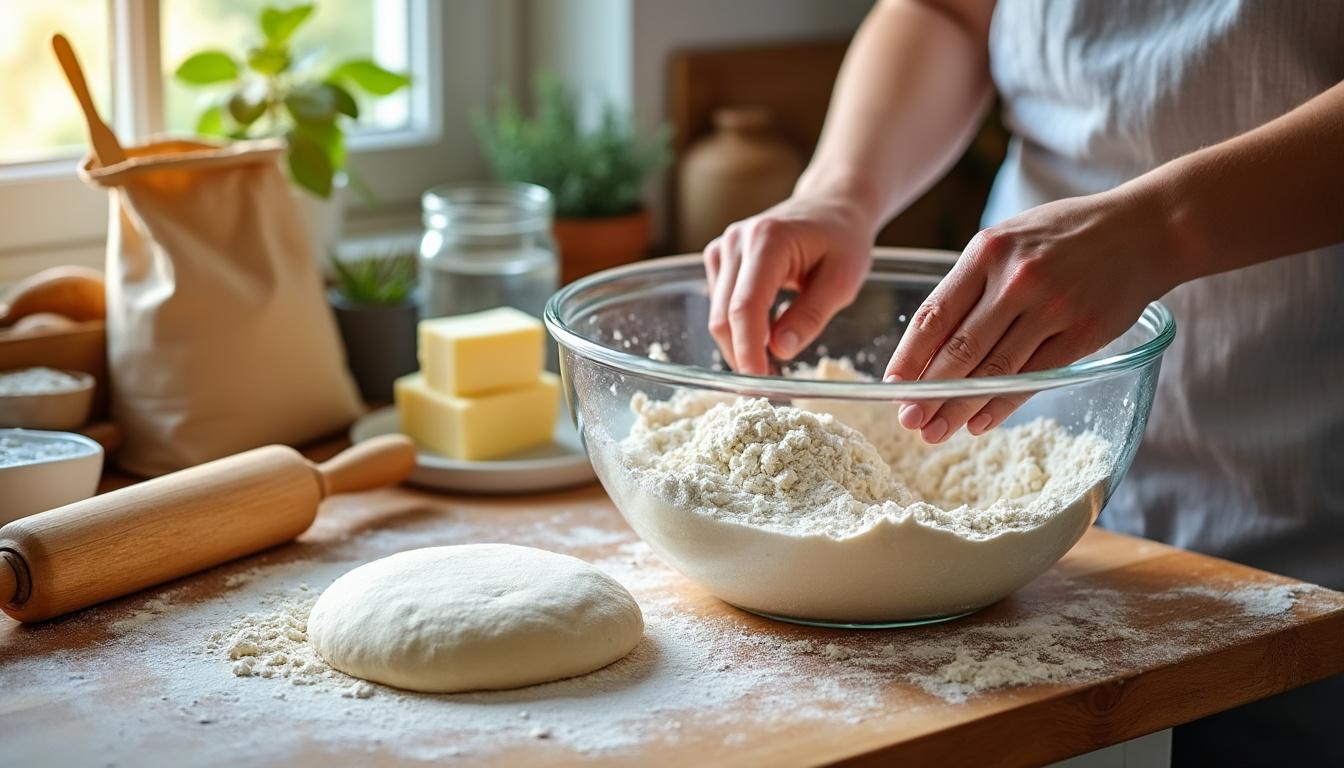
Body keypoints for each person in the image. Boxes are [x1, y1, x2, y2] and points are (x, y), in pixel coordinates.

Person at [702, 0, 1344, 763]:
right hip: (1032, 468)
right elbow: (950, 14)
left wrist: (1162, 227)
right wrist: (840, 191)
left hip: (1305, 481)